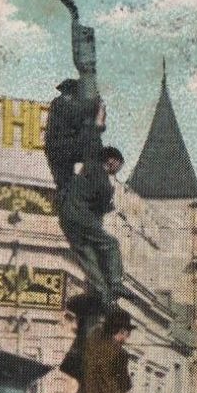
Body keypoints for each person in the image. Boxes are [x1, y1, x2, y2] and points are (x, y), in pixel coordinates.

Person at [59, 120, 125, 312]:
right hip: (81, 217)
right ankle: (114, 283)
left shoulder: (89, 165)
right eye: (118, 167)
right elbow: (101, 209)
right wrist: (108, 206)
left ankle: (104, 296)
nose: (117, 171)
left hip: (66, 219)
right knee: (111, 244)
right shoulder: (105, 184)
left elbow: (91, 140)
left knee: (88, 257)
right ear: (112, 161)